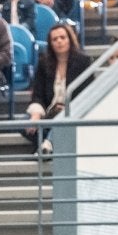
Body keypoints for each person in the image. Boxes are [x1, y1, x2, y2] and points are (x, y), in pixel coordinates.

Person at [26, 22, 92, 155]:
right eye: (55, 39)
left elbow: (88, 92)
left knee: (61, 119)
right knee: (24, 125)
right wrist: (36, 114)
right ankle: (48, 146)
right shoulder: (44, 63)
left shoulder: (83, 62)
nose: (59, 42)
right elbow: (38, 93)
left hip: (73, 110)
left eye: (63, 37)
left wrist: (68, 108)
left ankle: (47, 145)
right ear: (50, 43)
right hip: (49, 110)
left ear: (70, 39)